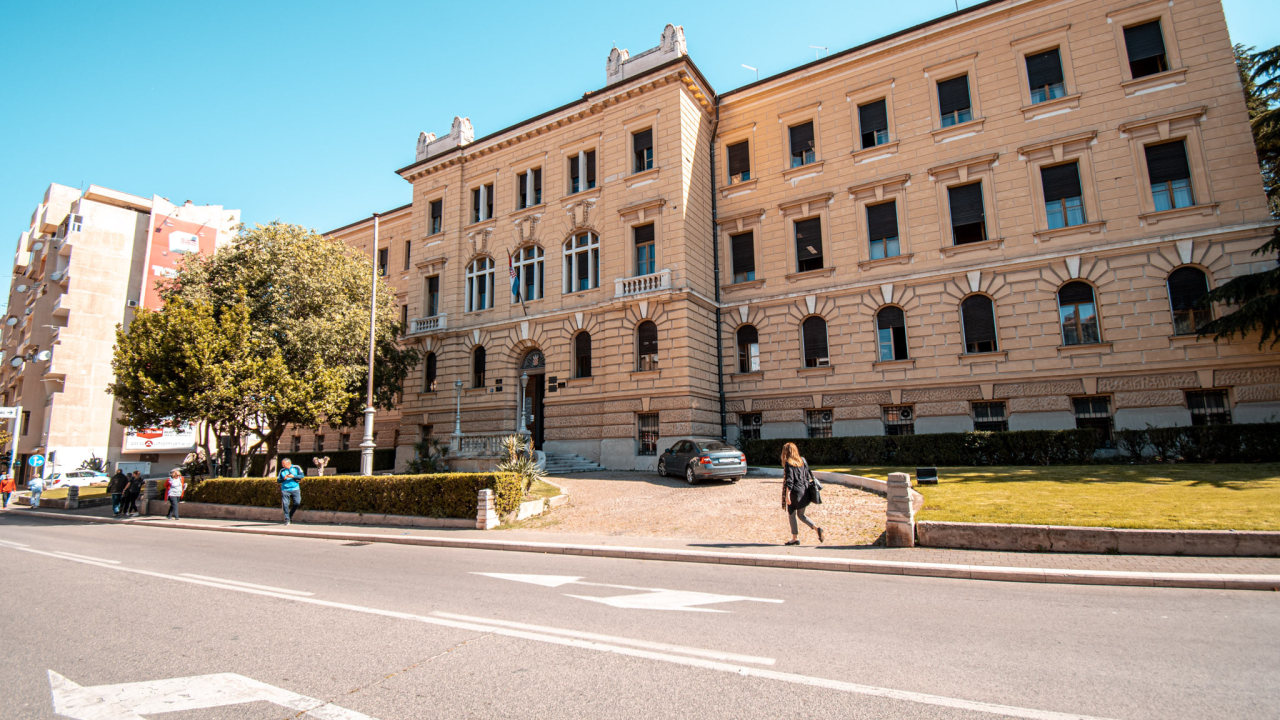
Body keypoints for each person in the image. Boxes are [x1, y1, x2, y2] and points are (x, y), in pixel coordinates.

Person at [779, 442, 824, 546]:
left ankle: (795, 538)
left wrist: (788, 495)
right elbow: (808, 475)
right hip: (804, 491)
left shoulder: (788, 463)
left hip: (795, 492)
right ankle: (817, 528)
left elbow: (789, 481)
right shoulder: (802, 460)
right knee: (801, 514)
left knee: (792, 514)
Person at [277, 458, 303, 525]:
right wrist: (284, 478)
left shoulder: (296, 467)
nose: (283, 465)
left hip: (295, 488)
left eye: (284, 464)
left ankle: (290, 515)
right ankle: (287, 519)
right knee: (285, 504)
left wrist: (293, 476)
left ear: (288, 463)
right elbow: (278, 480)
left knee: (297, 502)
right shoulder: (282, 470)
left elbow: (302, 475)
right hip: (285, 489)